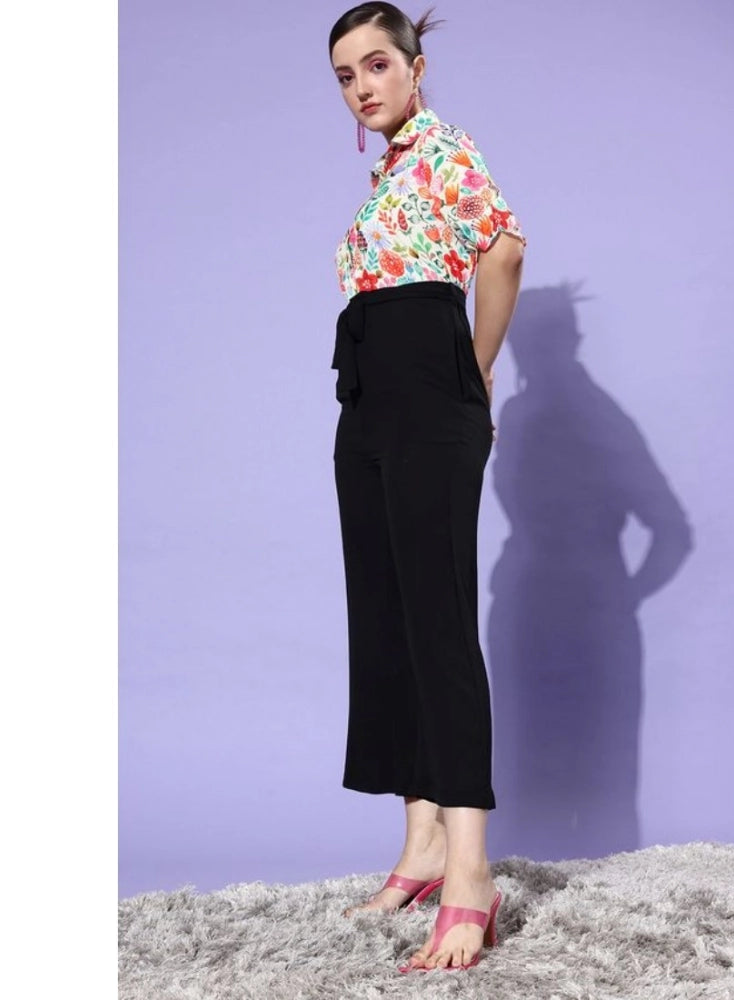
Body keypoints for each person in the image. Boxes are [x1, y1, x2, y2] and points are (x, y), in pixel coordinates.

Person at [328, 2, 526, 973]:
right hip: (368, 403)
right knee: (388, 617)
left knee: (437, 623)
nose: (362, 86)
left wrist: (475, 372)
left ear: (414, 68)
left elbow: (504, 249)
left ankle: (471, 873)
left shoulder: (444, 150)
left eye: (377, 64)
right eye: (345, 75)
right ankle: (422, 843)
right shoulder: (391, 173)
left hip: (428, 394)